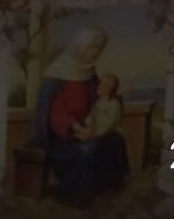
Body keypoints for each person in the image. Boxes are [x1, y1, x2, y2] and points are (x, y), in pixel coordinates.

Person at [31, 28, 129, 207]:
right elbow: (55, 114)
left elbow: (98, 101)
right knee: (86, 150)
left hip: (88, 126)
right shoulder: (57, 74)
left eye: (99, 49)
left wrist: (94, 126)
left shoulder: (89, 73)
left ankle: (107, 186)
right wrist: (78, 129)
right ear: (81, 47)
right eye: (93, 47)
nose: (96, 53)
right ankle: (76, 195)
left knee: (115, 140)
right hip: (62, 135)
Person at [79, 73, 124, 139]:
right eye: (99, 83)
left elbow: (109, 124)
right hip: (97, 133)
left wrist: (94, 134)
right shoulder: (97, 103)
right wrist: (88, 126)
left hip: (112, 135)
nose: (99, 86)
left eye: (104, 84)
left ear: (111, 88)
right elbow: (90, 119)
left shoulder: (114, 104)